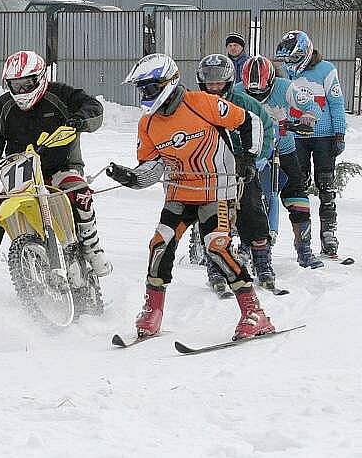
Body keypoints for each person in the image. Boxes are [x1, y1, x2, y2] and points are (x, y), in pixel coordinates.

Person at [106, 53, 274, 340]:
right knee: (160, 244)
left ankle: (254, 312)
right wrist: (131, 178)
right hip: (179, 192)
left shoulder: (201, 103)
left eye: (149, 87)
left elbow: (250, 122)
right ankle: (152, 312)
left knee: (216, 246)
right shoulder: (147, 124)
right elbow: (152, 166)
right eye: (141, 88)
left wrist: (248, 157)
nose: (145, 94)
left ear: (168, 83)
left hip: (216, 190)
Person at [0, 49, 110, 296]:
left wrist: (79, 121)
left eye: (26, 84)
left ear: (40, 77)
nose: (21, 91)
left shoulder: (60, 94)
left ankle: (92, 248)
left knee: (80, 192)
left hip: (61, 165)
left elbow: (93, 106)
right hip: (23, 171)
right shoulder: (4, 106)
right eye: (15, 85)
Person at [195, 54, 276, 292]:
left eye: (219, 83)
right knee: (215, 220)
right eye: (210, 84)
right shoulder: (195, 104)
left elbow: (265, 129)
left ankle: (262, 263)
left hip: (243, 169)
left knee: (253, 213)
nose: (214, 88)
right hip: (210, 172)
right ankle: (216, 267)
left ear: (228, 82)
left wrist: (255, 159)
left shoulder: (245, 103)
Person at [239, 54, 324, 269]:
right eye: (252, 91)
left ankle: (304, 249)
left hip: (283, 149)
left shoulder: (286, 87)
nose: (257, 95)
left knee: (297, 196)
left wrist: (309, 116)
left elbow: (311, 104)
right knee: (240, 196)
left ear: (270, 81)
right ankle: (240, 246)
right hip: (252, 152)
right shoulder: (238, 91)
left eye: (262, 91)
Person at [275, 31, 347, 257]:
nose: (290, 63)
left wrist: (340, 133)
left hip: (324, 136)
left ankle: (329, 234)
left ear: (306, 52)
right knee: (299, 186)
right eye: (287, 59)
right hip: (296, 137)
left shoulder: (326, 70)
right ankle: (302, 236)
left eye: (294, 58)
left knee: (326, 185)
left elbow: (336, 102)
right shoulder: (284, 72)